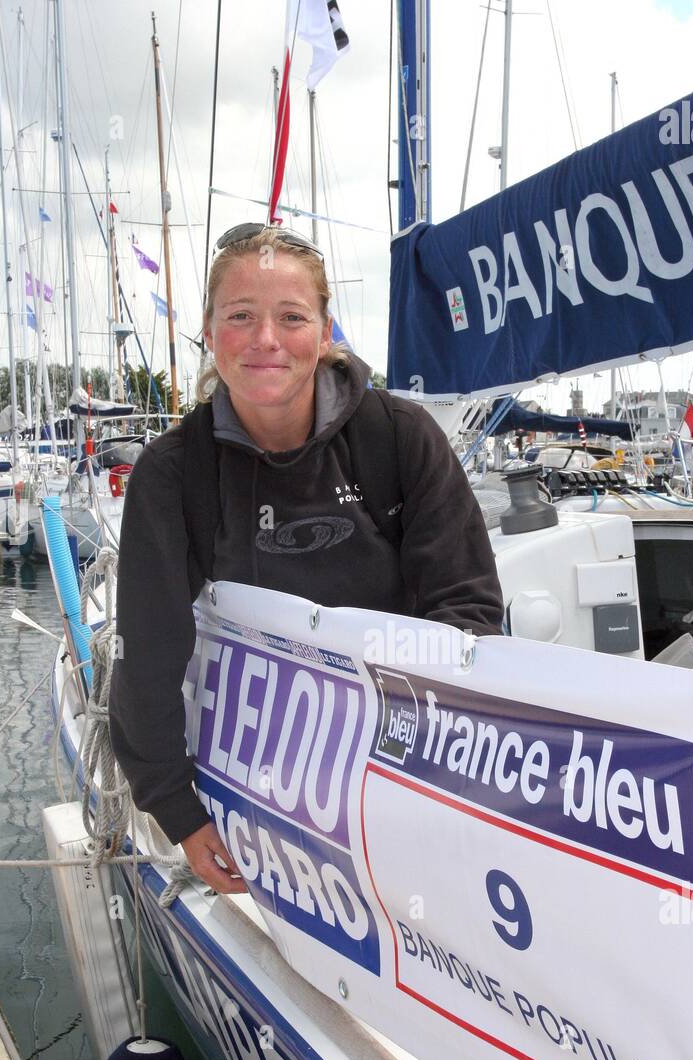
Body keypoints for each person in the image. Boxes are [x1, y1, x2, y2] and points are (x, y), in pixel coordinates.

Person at [109, 224, 504, 893]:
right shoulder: (174, 474)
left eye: (291, 317)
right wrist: (177, 809)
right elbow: (148, 651)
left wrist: (408, 773)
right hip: (256, 775)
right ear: (209, 331)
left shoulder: (398, 439)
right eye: (241, 316)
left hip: (401, 760)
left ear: (325, 335)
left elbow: (467, 612)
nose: (265, 340)